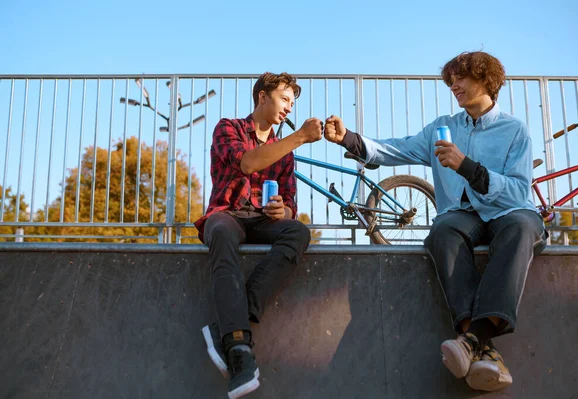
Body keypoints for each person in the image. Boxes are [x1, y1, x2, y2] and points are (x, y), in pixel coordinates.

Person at [323, 51, 547, 392]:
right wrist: (348, 138)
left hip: (506, 210)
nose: (454, 85)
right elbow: (395, 149)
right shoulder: (444, 127)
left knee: (522, 227)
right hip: (461, 216)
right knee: (442, 230)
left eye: (462, 77)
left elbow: (519, 191)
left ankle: (471, 341)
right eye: (451, 80)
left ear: (486, 79)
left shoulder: (514, 130)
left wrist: (468, 168)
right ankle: (480, 345)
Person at [194, 72, 322, 399]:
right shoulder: (229, 128)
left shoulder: (283, 150)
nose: (289, 108)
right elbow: (248, 163)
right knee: (220, 232)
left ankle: (235, 312)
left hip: (263, 220)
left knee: (297, 232)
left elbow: (291, 204)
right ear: (262, 96)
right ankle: (238, 347)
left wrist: (284, 211)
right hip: (228, 213)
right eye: (284, 99)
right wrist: (298, 138)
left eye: (293, 103)